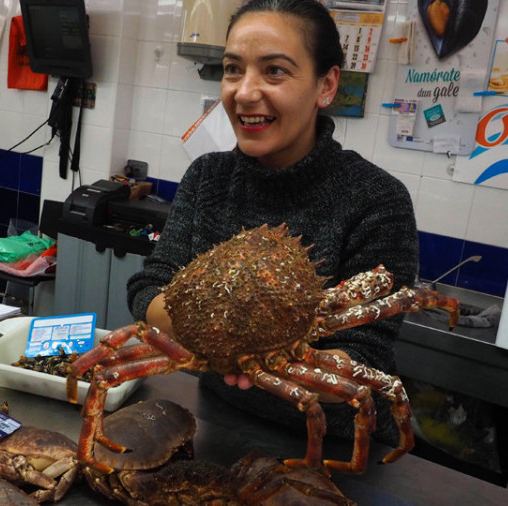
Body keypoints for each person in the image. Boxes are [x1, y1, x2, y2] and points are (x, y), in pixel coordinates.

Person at [126, 0, 419, 446]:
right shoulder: (209, 177)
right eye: (232, 69)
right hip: (217, 422)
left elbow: (366, 355)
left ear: (326, 85)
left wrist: (266, 352)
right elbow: (150, 286)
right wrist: (221, 337)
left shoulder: (377, 200)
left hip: (331, 447)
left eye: (275, 71)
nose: (244, 92)